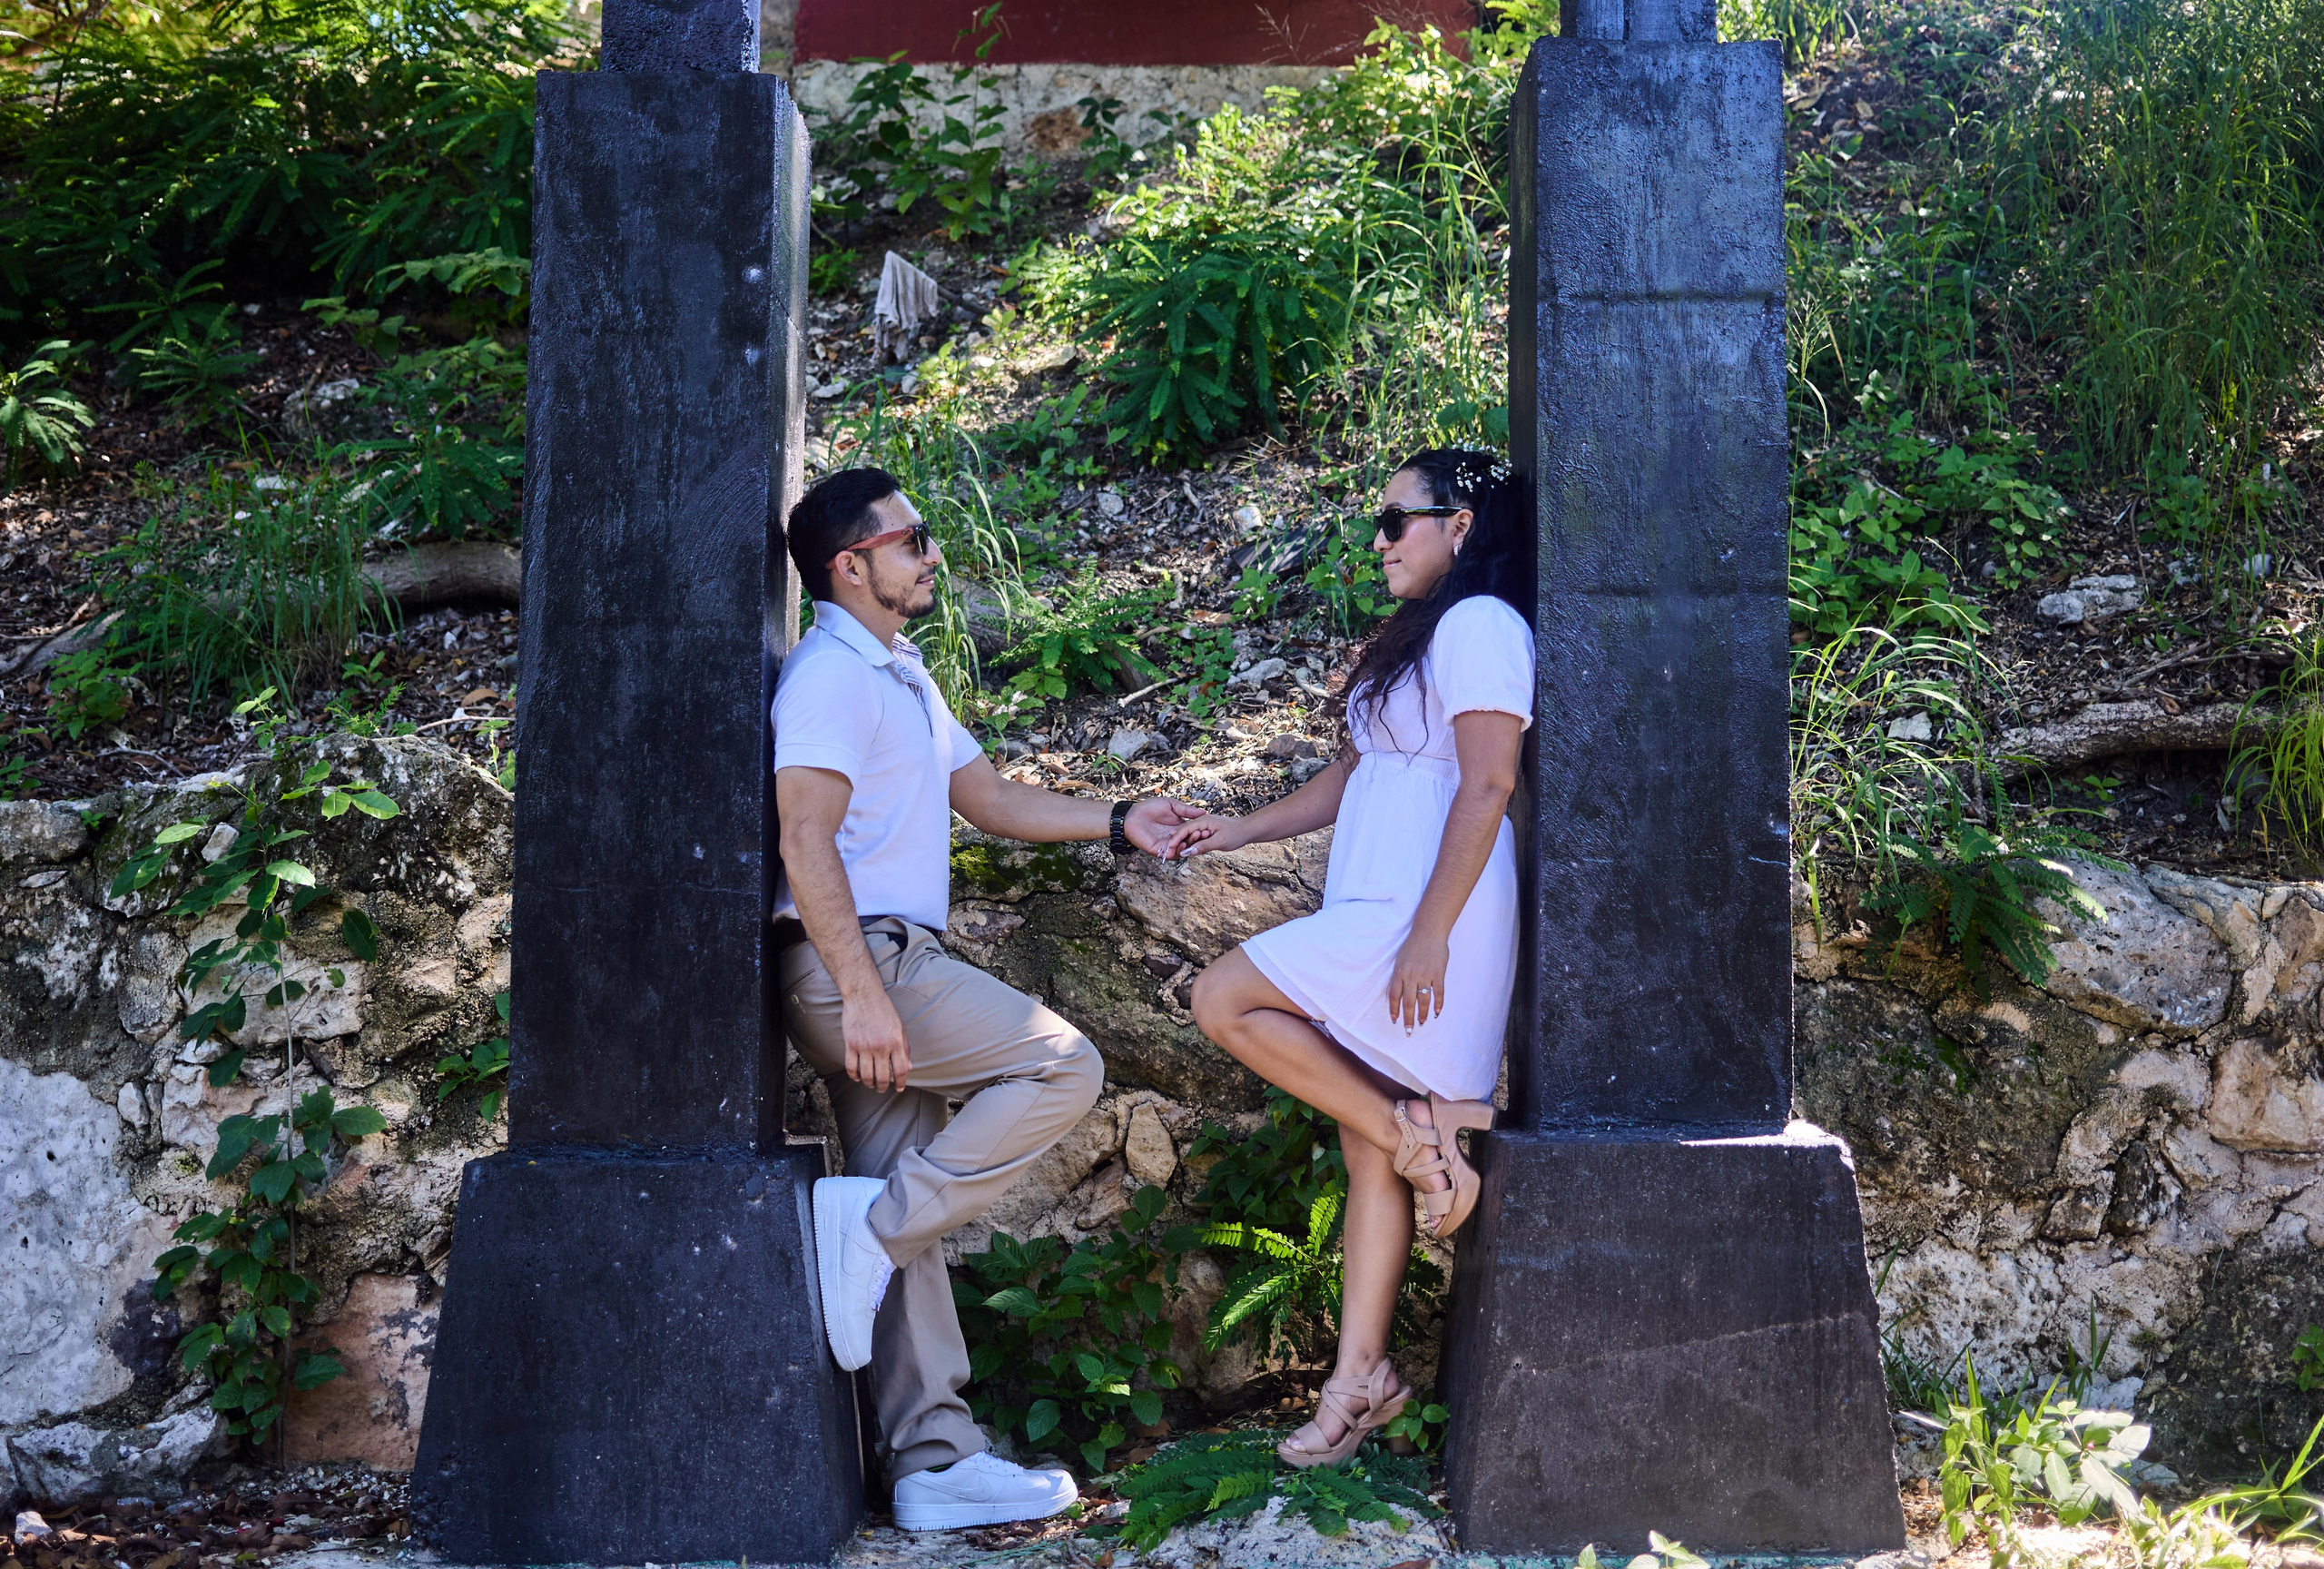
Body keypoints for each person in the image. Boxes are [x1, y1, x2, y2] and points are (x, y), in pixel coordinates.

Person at [773, 467, 1199, 1531]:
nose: (927, 555)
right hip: (861, 965)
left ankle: (930, 1463)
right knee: (1061, 1064)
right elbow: (802, 839)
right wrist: (865, 996)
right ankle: (871, 1229)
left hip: (880, 963)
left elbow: (990, 799)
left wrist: (1119, 817)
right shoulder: (829, 675)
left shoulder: (899, 669)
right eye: (910, 540)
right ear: (850, 564)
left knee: (894, 1200)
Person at [1163, 447, 1532, 1471]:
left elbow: (1488, 784)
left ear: (1461, 527)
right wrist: (1235, 831)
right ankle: (1359, 1381)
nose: (1376, 542)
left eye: (1395, 521)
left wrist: (1428, 933)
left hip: (1427, 914)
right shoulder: (1423, 633)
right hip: (1378, 903)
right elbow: (1353, 776)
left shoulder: (1482, 625)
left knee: (1224, 996)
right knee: (1364, 1149)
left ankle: (1421, 1140)